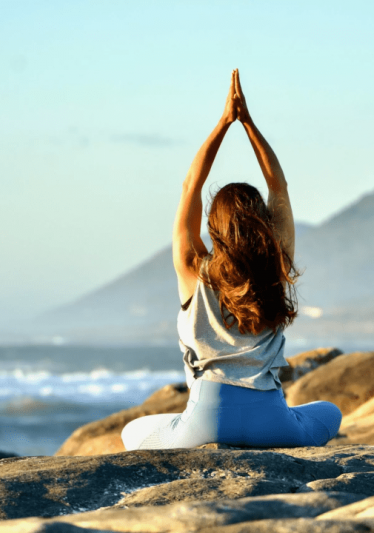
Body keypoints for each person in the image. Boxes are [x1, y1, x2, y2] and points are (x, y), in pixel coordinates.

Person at [121, 70, 342, 450]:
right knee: (330, 412)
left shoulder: (192, 268)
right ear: (264, 223)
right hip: (273, 422)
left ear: (213, 226)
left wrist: (225, 123)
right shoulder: (277, 265)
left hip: (208, 421)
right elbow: (278, 186)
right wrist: (249, 125)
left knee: (132, 431)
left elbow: (191, 185)